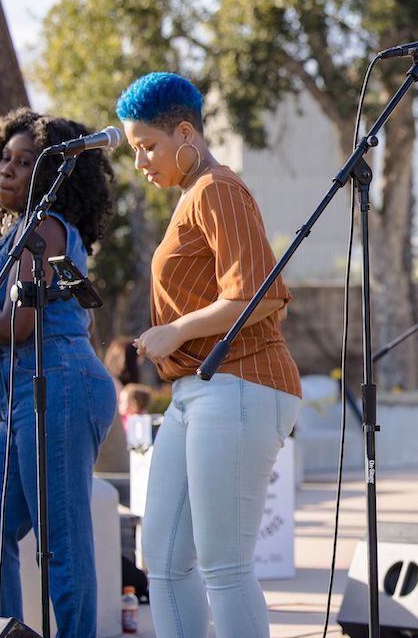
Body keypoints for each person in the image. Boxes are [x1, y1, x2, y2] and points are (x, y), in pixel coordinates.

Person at [116, 71, 302, 638]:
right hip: (198, 391)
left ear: (185, 133)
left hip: (243, 383)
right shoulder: (192, 196)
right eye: (134, 150)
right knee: (164, 557)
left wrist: (175, 330)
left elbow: (260, 294)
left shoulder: (218, 188)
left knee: (224, 564)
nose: (141, 161)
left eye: (148, 146)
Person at [0, 109, 117, 638]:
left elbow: (21, 323)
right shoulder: (20, 233)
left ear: (51, 173)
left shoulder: (46, 227)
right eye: (5, 159)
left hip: (58, 384)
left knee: (60, 544)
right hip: (28, 394)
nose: (7, 169)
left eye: (24, 162)